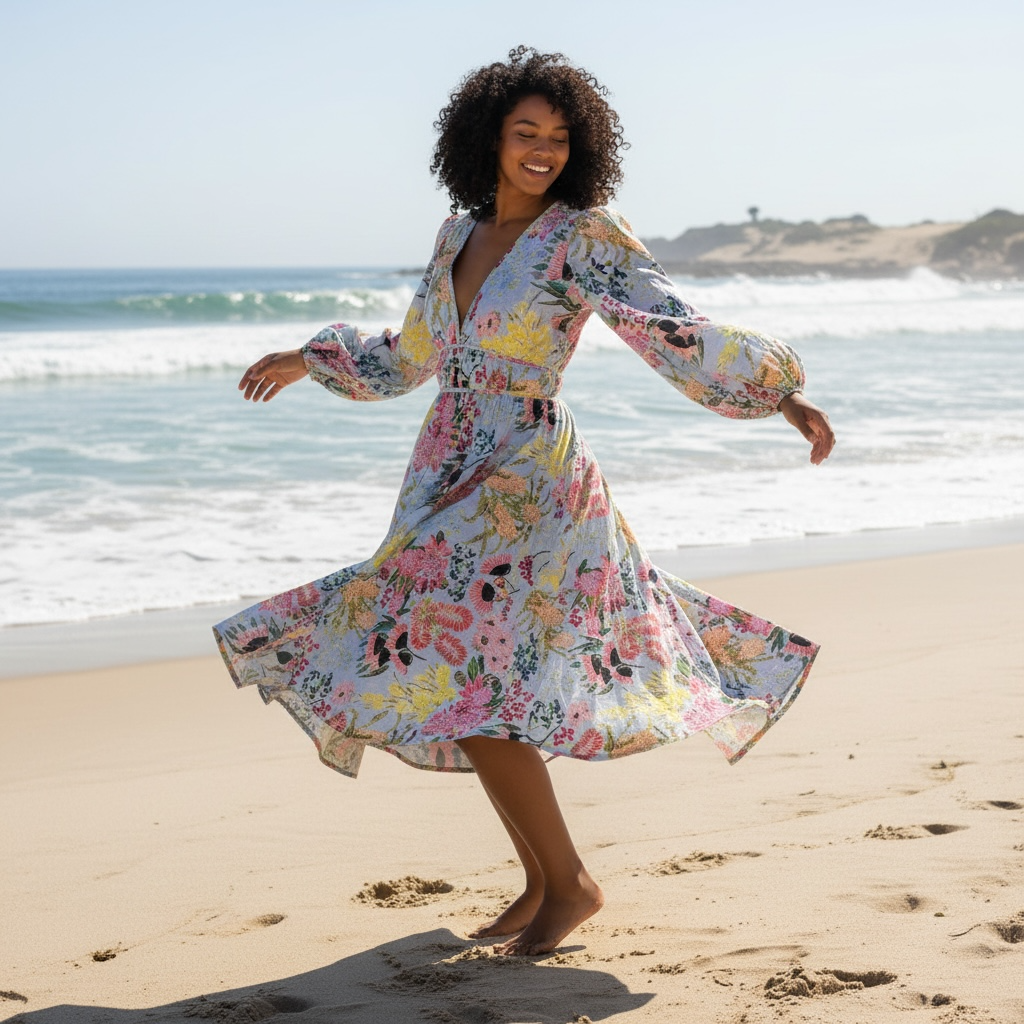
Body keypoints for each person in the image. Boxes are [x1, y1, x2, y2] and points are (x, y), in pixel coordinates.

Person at [213, 46, 835, 957]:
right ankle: (546, 883)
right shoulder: (456, 235)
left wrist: (778, 394)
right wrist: (310, 362)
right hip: (445, 465)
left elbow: (671, 328)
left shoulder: (582, 235)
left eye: (557, 137)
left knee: (470, 684)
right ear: (488, 139)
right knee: (477, 680)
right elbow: (415, 353)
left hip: (527, 479)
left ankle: (570, 884)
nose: (542, 150)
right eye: (524, 134)